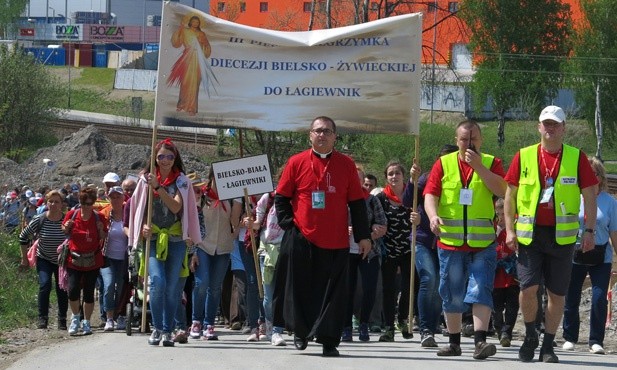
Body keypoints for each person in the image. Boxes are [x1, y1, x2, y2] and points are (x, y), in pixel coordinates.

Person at [504, 105, 598, 363]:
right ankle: (530, 334)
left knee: (557, 294)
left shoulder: (576, 157)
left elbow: (590, 194)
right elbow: (509, 195)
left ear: (564, 128)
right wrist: (509, 230)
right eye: (546, 123)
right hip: (530, 236)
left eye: (555, 124)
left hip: (562, 237)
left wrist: (589, 230)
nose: (550, 128)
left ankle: (548, 344)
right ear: (539, 127)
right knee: (528, 287)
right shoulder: (523, 156)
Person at [274, 116, 372, 357]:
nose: (322, 135)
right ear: (310, 135)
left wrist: (363, 236)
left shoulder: (346, 164)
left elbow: (358, 204)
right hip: (303, 238)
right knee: (301, 289)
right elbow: (281, 198)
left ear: (335, 137)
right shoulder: (296, 162)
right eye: (318, 131)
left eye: (327, 131)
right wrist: (290, 226)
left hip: (336, 240)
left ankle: (329, 340)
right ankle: (300, 332)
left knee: (333, 294)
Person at [424, 119, 506, 360]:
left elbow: (502, 190)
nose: (469, 143)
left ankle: (480, 342)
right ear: (456, 140)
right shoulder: (443, 163)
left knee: (482, 289)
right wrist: (432, 215)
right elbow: (430, 193)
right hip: (450, 241)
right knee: (452, 292)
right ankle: (454, 343)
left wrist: (480, 168)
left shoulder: (492, 162)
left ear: (480, 140)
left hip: (483, 243)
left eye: (474, 139)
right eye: (464, 139)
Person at [128, 138, 202, 347]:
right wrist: (142, 225)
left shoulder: (182, 182)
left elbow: (177, 208)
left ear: (175, 158)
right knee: (157, 282)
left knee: (172, 289)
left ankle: (168, 330)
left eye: (170, 156)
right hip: (153, 238)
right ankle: (157, 327)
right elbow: (138, 206)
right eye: (161, 156)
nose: (166, 160)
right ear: (155, 158)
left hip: (176, 239)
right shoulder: (144, 180)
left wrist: (159, 188)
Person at [402, 144, 458, 348]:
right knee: (429, 279)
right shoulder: (426, 178)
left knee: (441, 284)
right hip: (423, 239)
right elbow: (407, 200)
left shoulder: (461, 182)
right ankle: (426, 329)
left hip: (447, 239)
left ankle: (433, 326)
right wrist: (411, 180)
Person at [562, 157, 617, 355]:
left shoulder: (610, 203)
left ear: (600, 177)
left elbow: (614, 234)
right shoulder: (574, 197)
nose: (588, 177)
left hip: (601, 256)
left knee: (599, 297)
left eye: (592, 173)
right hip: (574, 253)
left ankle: (596, 340)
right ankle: (569, 337)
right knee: (571, 296)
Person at [189, 167, 242, 341]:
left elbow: (235, 223)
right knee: (201, 283)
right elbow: (193, 222)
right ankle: (196, 321)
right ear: (211, 178)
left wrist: (238, 201)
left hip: (224, 248)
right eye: (218, 178)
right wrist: (193, 251)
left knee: (215, 287)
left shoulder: (230, 199)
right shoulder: (201, 196)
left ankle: (209, 324)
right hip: (203, 246)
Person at [342, 167, 387, 342]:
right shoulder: (340, 199)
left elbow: (382, 224)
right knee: (348, 290)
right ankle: (346, 326)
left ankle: (364, 324)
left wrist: (371, 232)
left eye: (358, 177)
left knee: (369, 288)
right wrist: (343, 229)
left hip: (370, 252)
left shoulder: (371, 200)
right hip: (345, 251)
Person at [19, 190, 69, 330]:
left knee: (62, 289)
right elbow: (23, 237)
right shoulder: (39, 219)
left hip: (61, 261)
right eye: (50, 201)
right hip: (44, 259)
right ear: (46, 203)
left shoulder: (66, 221)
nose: (53, 204)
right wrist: (24, 259)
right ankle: (42, 318)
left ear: (62, 204)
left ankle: (62, 319)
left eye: (56, 202)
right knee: (45, 285)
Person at [62, 187, 108, 336]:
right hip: (74, 258)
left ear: (93, 203)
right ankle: (76, 317)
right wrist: (66, 227)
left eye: (89, 203)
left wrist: (101, 230)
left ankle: (86, 322)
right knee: (73, 290)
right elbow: (64, 230)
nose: (87, 206)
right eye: (84, 203)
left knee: (89, 292)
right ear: (80, 202)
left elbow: (103, 237)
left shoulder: (98, 217)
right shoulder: (72, 214)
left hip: (92, 259)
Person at [375, 161, 413, 342]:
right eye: (390, 174)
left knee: (409, 287)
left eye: (397, 173)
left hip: (409, 250)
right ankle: (389, 327)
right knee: (388, 290)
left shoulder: (411, 196)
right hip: (388, 250)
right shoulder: (381, 198)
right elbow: (375, 220)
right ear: (386, 177)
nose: (394, 176)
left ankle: (403, 319)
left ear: (403, 176)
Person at [167, 15, 213, 116]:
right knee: (185, 82)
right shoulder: (185, 31)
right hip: (187, 59)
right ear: (190, 22)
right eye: (194, 21)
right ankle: (181, 104)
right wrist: (180, 29)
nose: (195, 23)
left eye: (197, 22)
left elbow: (207, 48)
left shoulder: (201, 34)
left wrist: (203, 45)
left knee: (194, 84)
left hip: (197, 59)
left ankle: (192, 108)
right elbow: (176, 43)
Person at [99, 186, 129, 332]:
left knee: (122, 287)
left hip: (124, 258)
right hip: (107, 258)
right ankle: (109, 317)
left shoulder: (129, 213)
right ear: (108, 198)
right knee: (109, 285)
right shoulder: (104, 215)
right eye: (113, 197)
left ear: (123, 198)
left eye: (118, 196)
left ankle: (121, 314)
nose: (115, 200)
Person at [492, 198, 519, 348]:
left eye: (504, 213)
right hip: (496, 274)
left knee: (512, 305)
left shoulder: (514, 228)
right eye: (498, 214)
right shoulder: (493, 228)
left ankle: (507, 333)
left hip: (511, 274)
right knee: (496, 306)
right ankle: (498, 328)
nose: (501, 217)